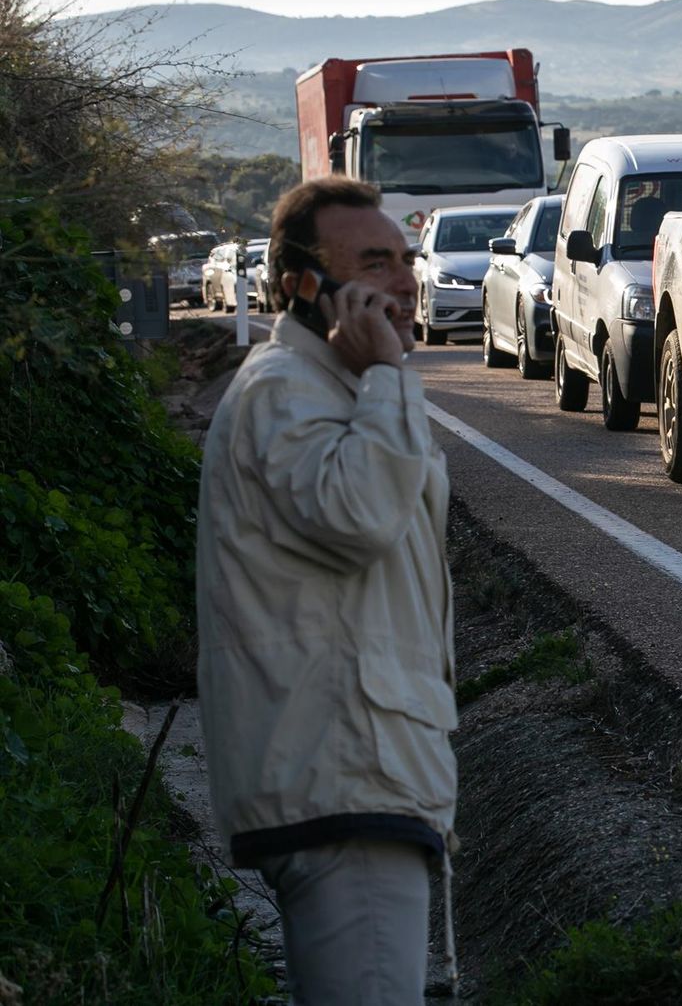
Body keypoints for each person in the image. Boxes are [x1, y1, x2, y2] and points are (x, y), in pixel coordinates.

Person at [195, 176, 455, 1005]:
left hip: (363, 770)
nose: (405, 281)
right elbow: (359, 515)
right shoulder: (286, 389)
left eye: (407, 259)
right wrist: (385, 376)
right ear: (298, 285)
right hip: (344, 778)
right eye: (374, 262)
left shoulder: (329, 386)